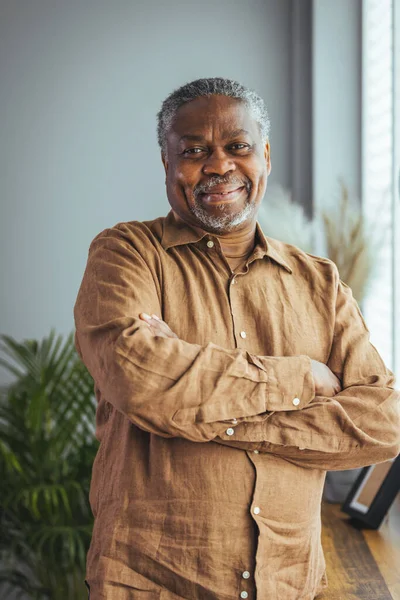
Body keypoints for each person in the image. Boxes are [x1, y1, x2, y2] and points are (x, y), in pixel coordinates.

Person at [74, 77, 400, 600]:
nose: (219, 165)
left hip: (290, 585)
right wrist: (304, 378)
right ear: (166, 162)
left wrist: (203, 411)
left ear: (264, 156)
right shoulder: (125, 255)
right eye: (194, 150)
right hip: (151, 583)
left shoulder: (320, 282)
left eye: (237, 147)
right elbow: (140, 379)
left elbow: (383, 422)